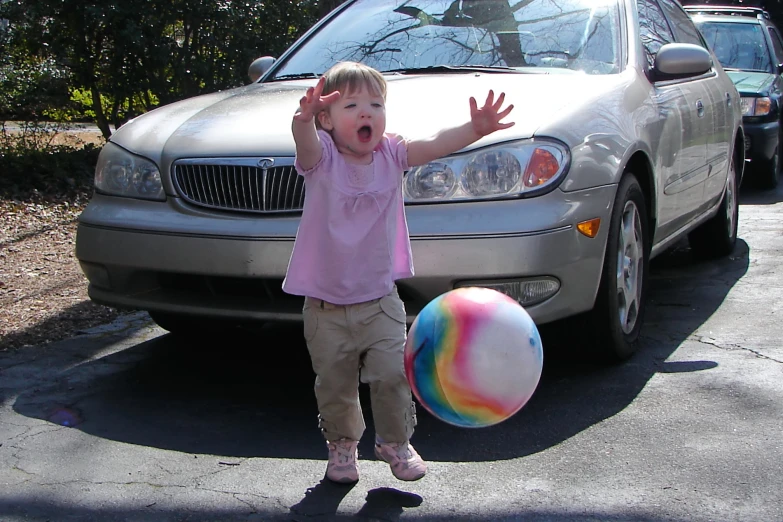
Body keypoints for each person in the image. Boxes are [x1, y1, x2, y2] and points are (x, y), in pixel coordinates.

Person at [282, 61, 514, 483]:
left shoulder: (391, 152)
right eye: (351, 105)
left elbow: (435, 144)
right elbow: (305, 146)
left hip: (379, 298)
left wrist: (474, 129)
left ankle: (394, 442)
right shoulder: (323, 157)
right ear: (326, 120)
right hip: (325, 307)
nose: (366, 112)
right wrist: (301, 120)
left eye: (376, 103)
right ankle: (342, 447)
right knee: (334, 387)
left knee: (392, 374)